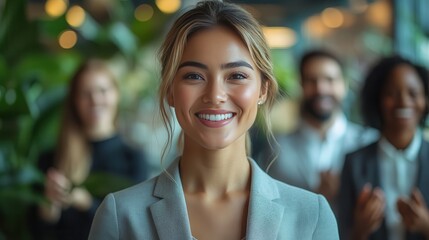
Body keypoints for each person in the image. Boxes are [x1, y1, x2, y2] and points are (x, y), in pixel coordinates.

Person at [88, 1, 339, 239]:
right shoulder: (121, 216)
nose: (215, 95)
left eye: (237, 75)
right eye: (194, 76)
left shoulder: (312, 216)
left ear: (263, 90)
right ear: (169, 90)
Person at [30, 59, 149, 240]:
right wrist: (48, 206)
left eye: (103, 91)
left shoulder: (133, 158)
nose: (95, 100)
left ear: (116, 94)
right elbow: (36, 232)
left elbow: (134, 229)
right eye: (86, 93)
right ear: (75, 102)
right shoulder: (50, 160)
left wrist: (85, 202)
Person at [267, 50, 378, 203]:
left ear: (344, 85)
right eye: (311, 80)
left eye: (330, 80)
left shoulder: (369, 143)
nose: (321, 89)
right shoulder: (276, 147)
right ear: (301, 86)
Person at [338, 55, 429, 240]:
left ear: (425, 100)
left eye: (413, 93)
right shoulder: (354, 162)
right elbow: (340, 234)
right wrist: (360, 230)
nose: (403, 102)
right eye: (392, 94)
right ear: (377, 99)